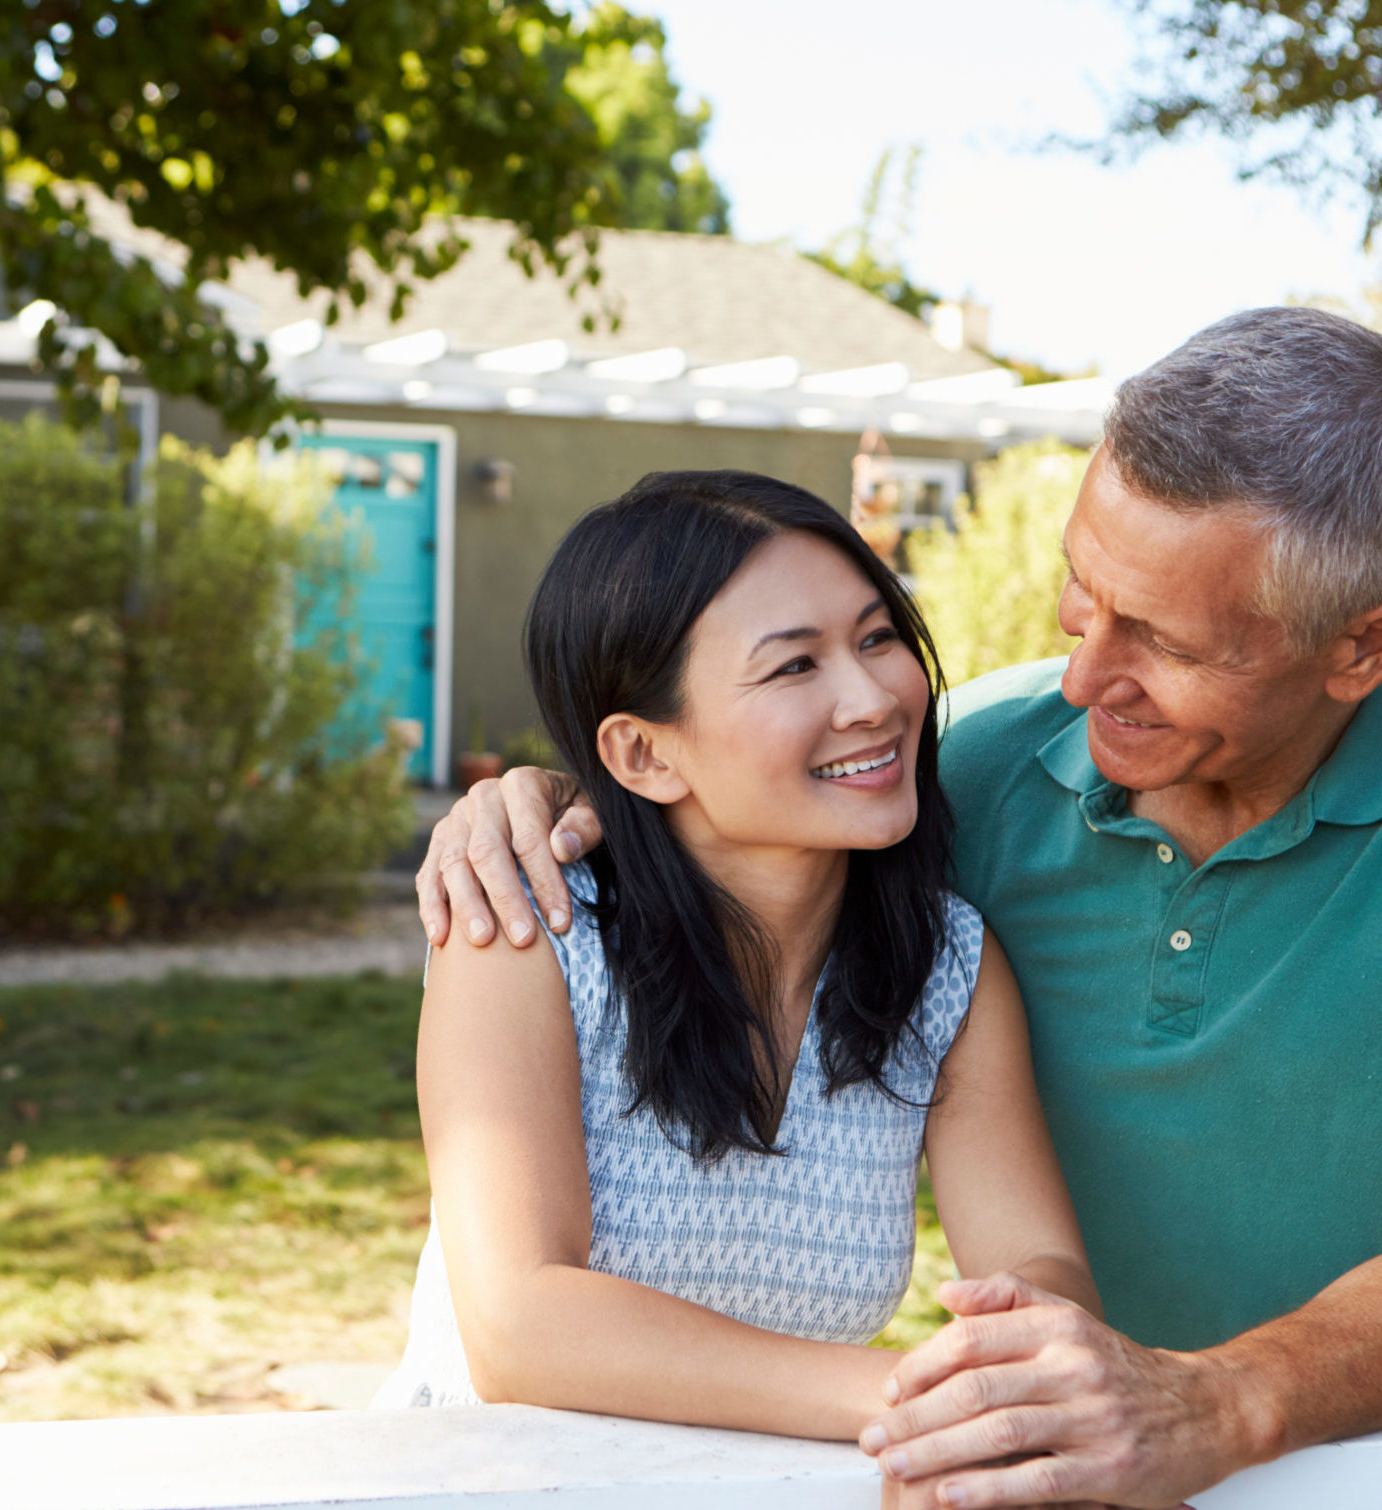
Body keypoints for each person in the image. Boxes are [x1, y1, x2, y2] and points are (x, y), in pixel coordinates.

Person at [417, 308, 1382, 1508]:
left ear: (1360, 647)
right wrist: (536, 799)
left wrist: (1203, 1401)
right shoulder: (972, 768)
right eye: (1082, 592)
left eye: (1163, 641)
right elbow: (728, 788)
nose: (1079, 676)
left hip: (1341, 1452)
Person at [377, 469, 1097, 1443]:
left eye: (877, 635)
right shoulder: (523, 928)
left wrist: (1035, 1352)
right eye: (794, 666)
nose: (872, 697)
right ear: (641, 754)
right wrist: (922, 1399)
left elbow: (1038, 1265)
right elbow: (520, 1326)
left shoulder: (945, 966)